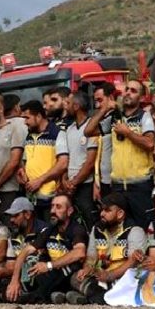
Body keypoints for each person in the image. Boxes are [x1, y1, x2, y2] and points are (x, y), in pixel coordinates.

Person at [84, 79, 155, 229]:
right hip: (117, 186)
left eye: (134, 91)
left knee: (143, 227)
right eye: (127, 89)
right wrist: (104, 109)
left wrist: (128, 133)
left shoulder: (144, 117)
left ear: (141, 98)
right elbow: (88, 131)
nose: (128, 92)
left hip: (139, 185)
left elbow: (150, 143)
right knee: (120, 229)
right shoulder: (115, 118)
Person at [6, 193, 87, 304]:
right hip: (53, 273)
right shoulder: (50, 229)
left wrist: (49, 266)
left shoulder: (77, 229)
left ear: (69, 211)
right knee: (32, 274)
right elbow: (26, 251)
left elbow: (79, 253)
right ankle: (56, 296)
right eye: (52, 206)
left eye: (58, 207)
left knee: (52, 275)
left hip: (71, 273)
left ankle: (29, 298)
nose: (53, 211)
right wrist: (14, 281)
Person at [67, 193, 146, 305]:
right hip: (101, 278)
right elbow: (91, 258)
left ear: (120, 213)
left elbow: (133, 263)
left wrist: (110, 275)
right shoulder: (97, 229)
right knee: (75, 278)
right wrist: (87, 269)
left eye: (107, 210)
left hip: (123, 278)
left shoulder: (134, 231)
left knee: (130, 280)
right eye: (102, 210)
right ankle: (101, 296)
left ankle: (93, 297)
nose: (102, 214)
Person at [0, 196, 48, 304]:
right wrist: (3, 272)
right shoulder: (13, 235)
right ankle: (14, 295)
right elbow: (10, 265)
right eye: (10, 216)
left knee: (30, 264)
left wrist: (13, 277)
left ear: (27, 214)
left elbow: (38, 262)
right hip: (20, 277)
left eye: (16, 216)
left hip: (40, 276)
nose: (12, 220)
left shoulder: (43, 231)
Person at [19, 101, 68, 222]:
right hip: (31, 198)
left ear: (39, 116)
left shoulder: (57, 134)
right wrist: (22, 172)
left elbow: (63, 163)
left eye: (27, 118)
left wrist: (39, 181)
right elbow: (25, 161)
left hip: (50, 198)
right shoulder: (29, 136)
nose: (25, 122)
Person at [61, 92, 99, 228]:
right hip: (70, 187)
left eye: (69, 104)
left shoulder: (92, 127)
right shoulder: (69, 130)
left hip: (86, 186)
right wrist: (64, 180)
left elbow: (90, 162)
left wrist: (74, 183)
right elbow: (66, 158)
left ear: (76, 106)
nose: (66, 107)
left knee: (89, 222)